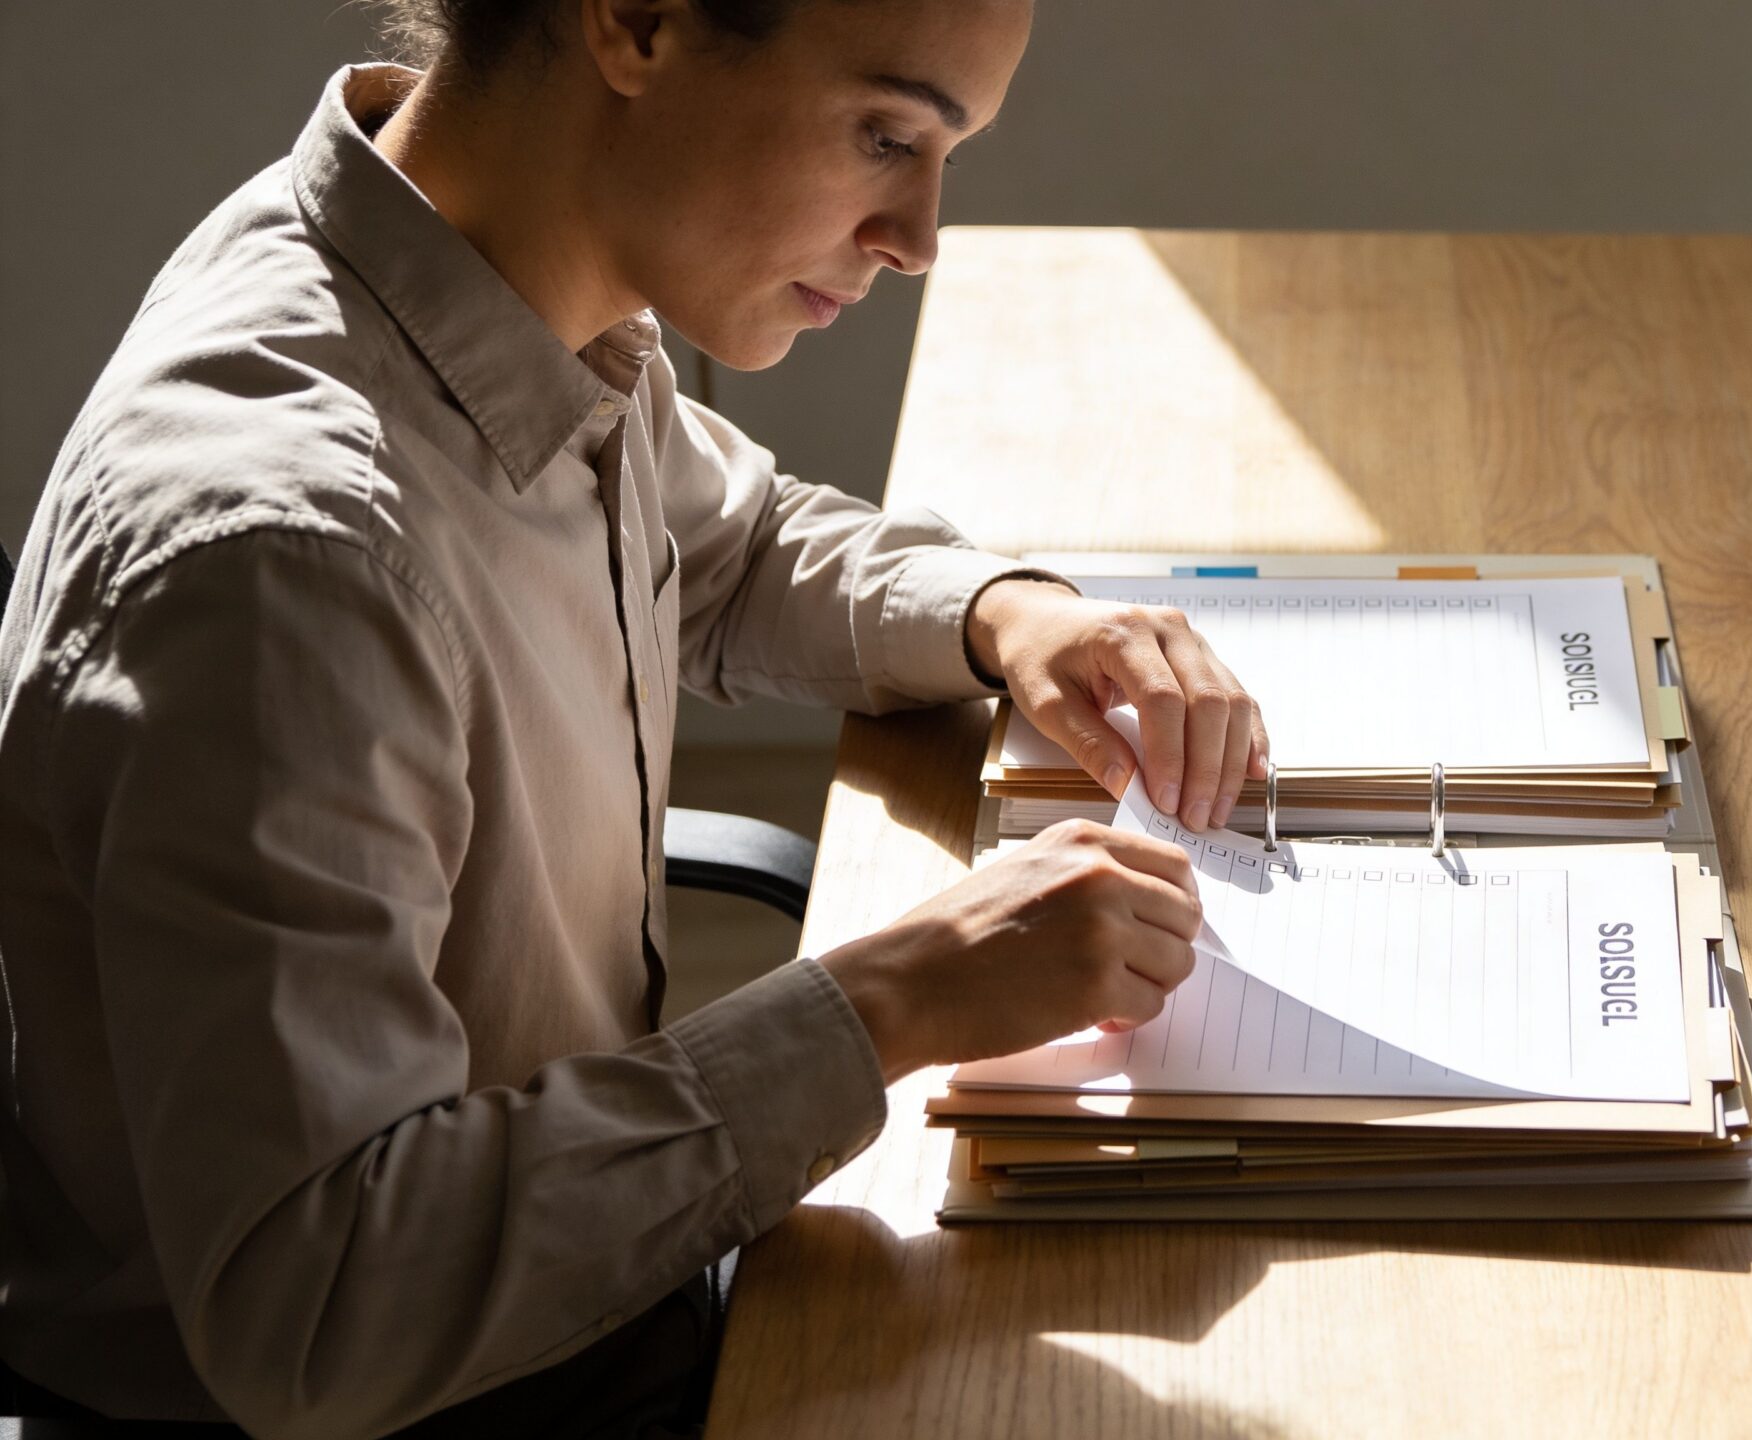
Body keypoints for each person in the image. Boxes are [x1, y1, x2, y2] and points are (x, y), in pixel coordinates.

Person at [0, 0, 1264, 1433]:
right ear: (638, 24)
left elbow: (725, 548)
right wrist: (893, 997)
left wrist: (1007, 613)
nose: (916, 235)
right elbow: (325, 1304)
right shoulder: (292, 561)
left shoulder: (478, 277)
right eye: (884, 136)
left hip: (572, 1280)